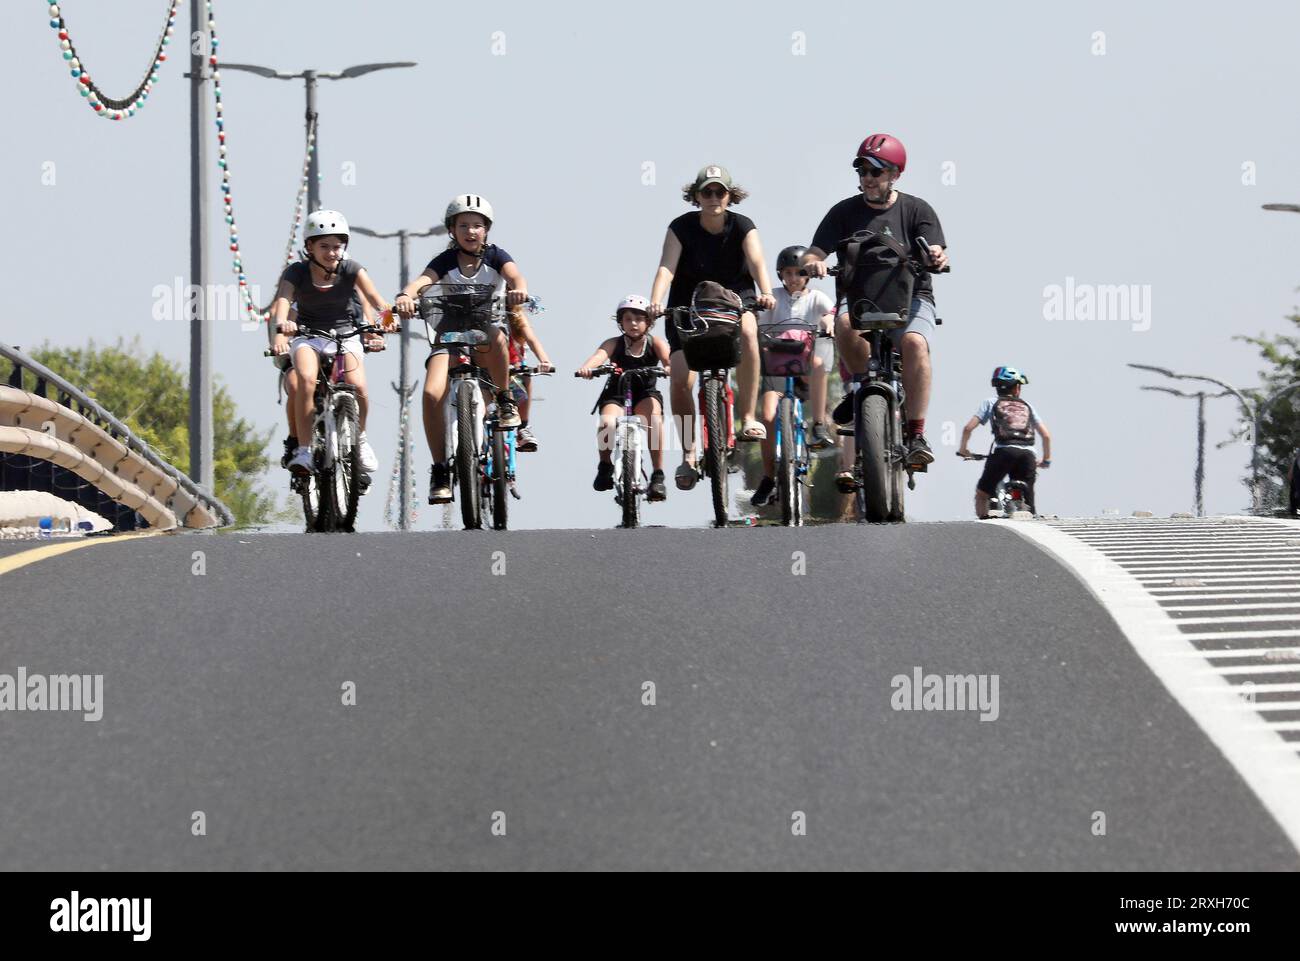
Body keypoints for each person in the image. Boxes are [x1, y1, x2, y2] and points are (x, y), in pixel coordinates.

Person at [801, 133, 948, 467]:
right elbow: (815, 250)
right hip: (859, 299)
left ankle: (916, 432)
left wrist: (936, 255)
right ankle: (858, 388)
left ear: (895, 174)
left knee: (914, 343)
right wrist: (815, 261)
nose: (868, 178)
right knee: (842, 324)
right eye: (862, 171)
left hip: (910, 298)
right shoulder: (842, 213)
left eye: (876, 171)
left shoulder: (917, 210)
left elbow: (936, 248)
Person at [391, 194, 531, 504]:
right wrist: (405, 296)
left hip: (483, 332)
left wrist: (519, 289)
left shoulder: (496, 256)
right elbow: (422, 282)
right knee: (431, 394)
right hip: (448, 336)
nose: (471, 231)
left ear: (487, 230)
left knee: (495, 337)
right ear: (452, 230)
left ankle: (505, 400)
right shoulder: (444, 261)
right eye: (463, 225)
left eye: (477, 226)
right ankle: (440, 469)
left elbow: (514, 274)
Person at [647, 165, 776, 491]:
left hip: (735, 301)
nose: (714, 198)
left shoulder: (743, 226)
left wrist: (767, 291)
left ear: (730, 196)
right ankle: (689, 453)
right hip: (689, 306)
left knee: (749, 332)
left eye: (720, 192)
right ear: (696, 196)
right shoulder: (681, 227)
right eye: (707, 192)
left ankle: (747, 418)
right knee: (679, 379)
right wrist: (655, 300)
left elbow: (757, 262)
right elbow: (666, 266)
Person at [268, 210, 391, 476]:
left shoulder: (351, 269)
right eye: (324, 246)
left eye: (337, 246)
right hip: (309, 336)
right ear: (309, 247)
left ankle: (361, 440)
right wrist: (282, 326)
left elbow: (375, 298)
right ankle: (303, 450)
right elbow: (284, 300)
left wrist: (387, 320)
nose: (331, 252)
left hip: (345, 335)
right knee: (306, 381)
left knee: (357, 385)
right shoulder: (297, 272)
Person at [750, 245, 838, 505]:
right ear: (780, 275)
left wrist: (829, 324)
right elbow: (758, 321)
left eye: (799, 273)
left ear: (807, 275)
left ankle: (819, 425)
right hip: (776, 366)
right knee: (766, 417)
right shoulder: (773, 297)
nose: (793, 278)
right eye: (787, 273)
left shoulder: (817, 298)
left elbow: (828, 316)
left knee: (820, 363)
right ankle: (768, 477)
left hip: (806, 366)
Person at [577, 295, 671, 501]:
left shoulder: (656, 343)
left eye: (639, 319)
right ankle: (605, 465)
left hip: (646, 393)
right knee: (606, 422)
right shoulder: (614, 343)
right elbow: (598, 357)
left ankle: (657, 475)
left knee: (654, 420)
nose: (634, 324)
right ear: (621, 322)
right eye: (628, 319)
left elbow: (668, 361)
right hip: (617, 393)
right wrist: (587, 368)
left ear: (649, 323)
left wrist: (670, 368)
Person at [958, 366, 1053, 518]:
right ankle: (1030, 512)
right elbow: (1046, 436)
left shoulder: (990, 403)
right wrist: (1046, 460)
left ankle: (984, 524)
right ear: (1016, 388)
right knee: (1029, 501)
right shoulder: (1026, 405)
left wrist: (963, 450)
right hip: (1028, 456)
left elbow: (968, 428)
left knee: (982, 493)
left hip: (1004, 453)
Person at [506, 305, 554, 452]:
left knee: (526, 377)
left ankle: (523, 427)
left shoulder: (516, 317)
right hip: (485, 370)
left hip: (511, 370)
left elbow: (532, 340)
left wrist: (544, 361)